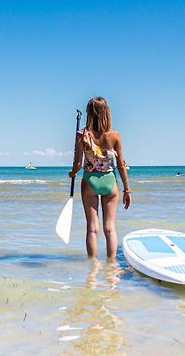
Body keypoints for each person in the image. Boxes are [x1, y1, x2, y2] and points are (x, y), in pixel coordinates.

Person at [69, 97, 131, 261]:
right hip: (110, 183)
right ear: (107, 113)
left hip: (89, 182)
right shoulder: (115, 135)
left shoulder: (82, 135)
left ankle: (93, 268)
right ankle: (111, 267)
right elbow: (121, 164)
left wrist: (72, 173)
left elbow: (77, 164)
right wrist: (127, 189)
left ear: (89, 114)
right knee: (110, 228)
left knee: (92, 228)